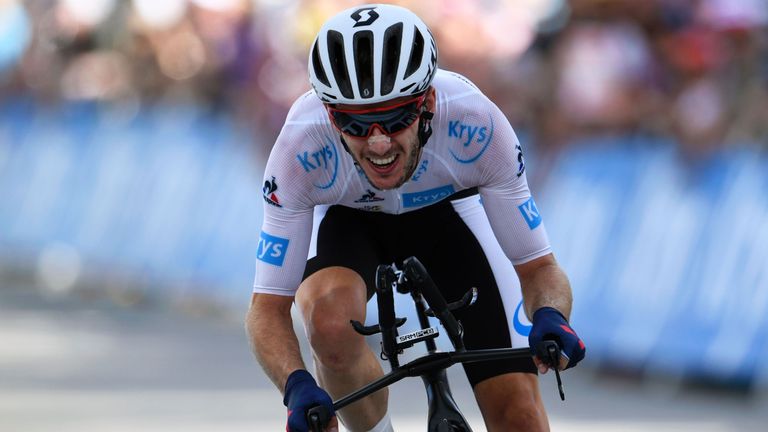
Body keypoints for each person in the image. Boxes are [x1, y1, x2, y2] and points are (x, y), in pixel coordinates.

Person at [246, 4, 585, 431]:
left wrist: (552, 318)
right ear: (331, 115)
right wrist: (295, 386)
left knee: (519, 415)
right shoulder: (300, 145)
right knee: (329, 325)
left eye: (396, 118)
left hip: (449, 217)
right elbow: (267, 309)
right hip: (350, 221)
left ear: (428, 102)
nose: (380, 143)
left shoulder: (475, 122)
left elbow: (538, 268)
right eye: (356, 123)